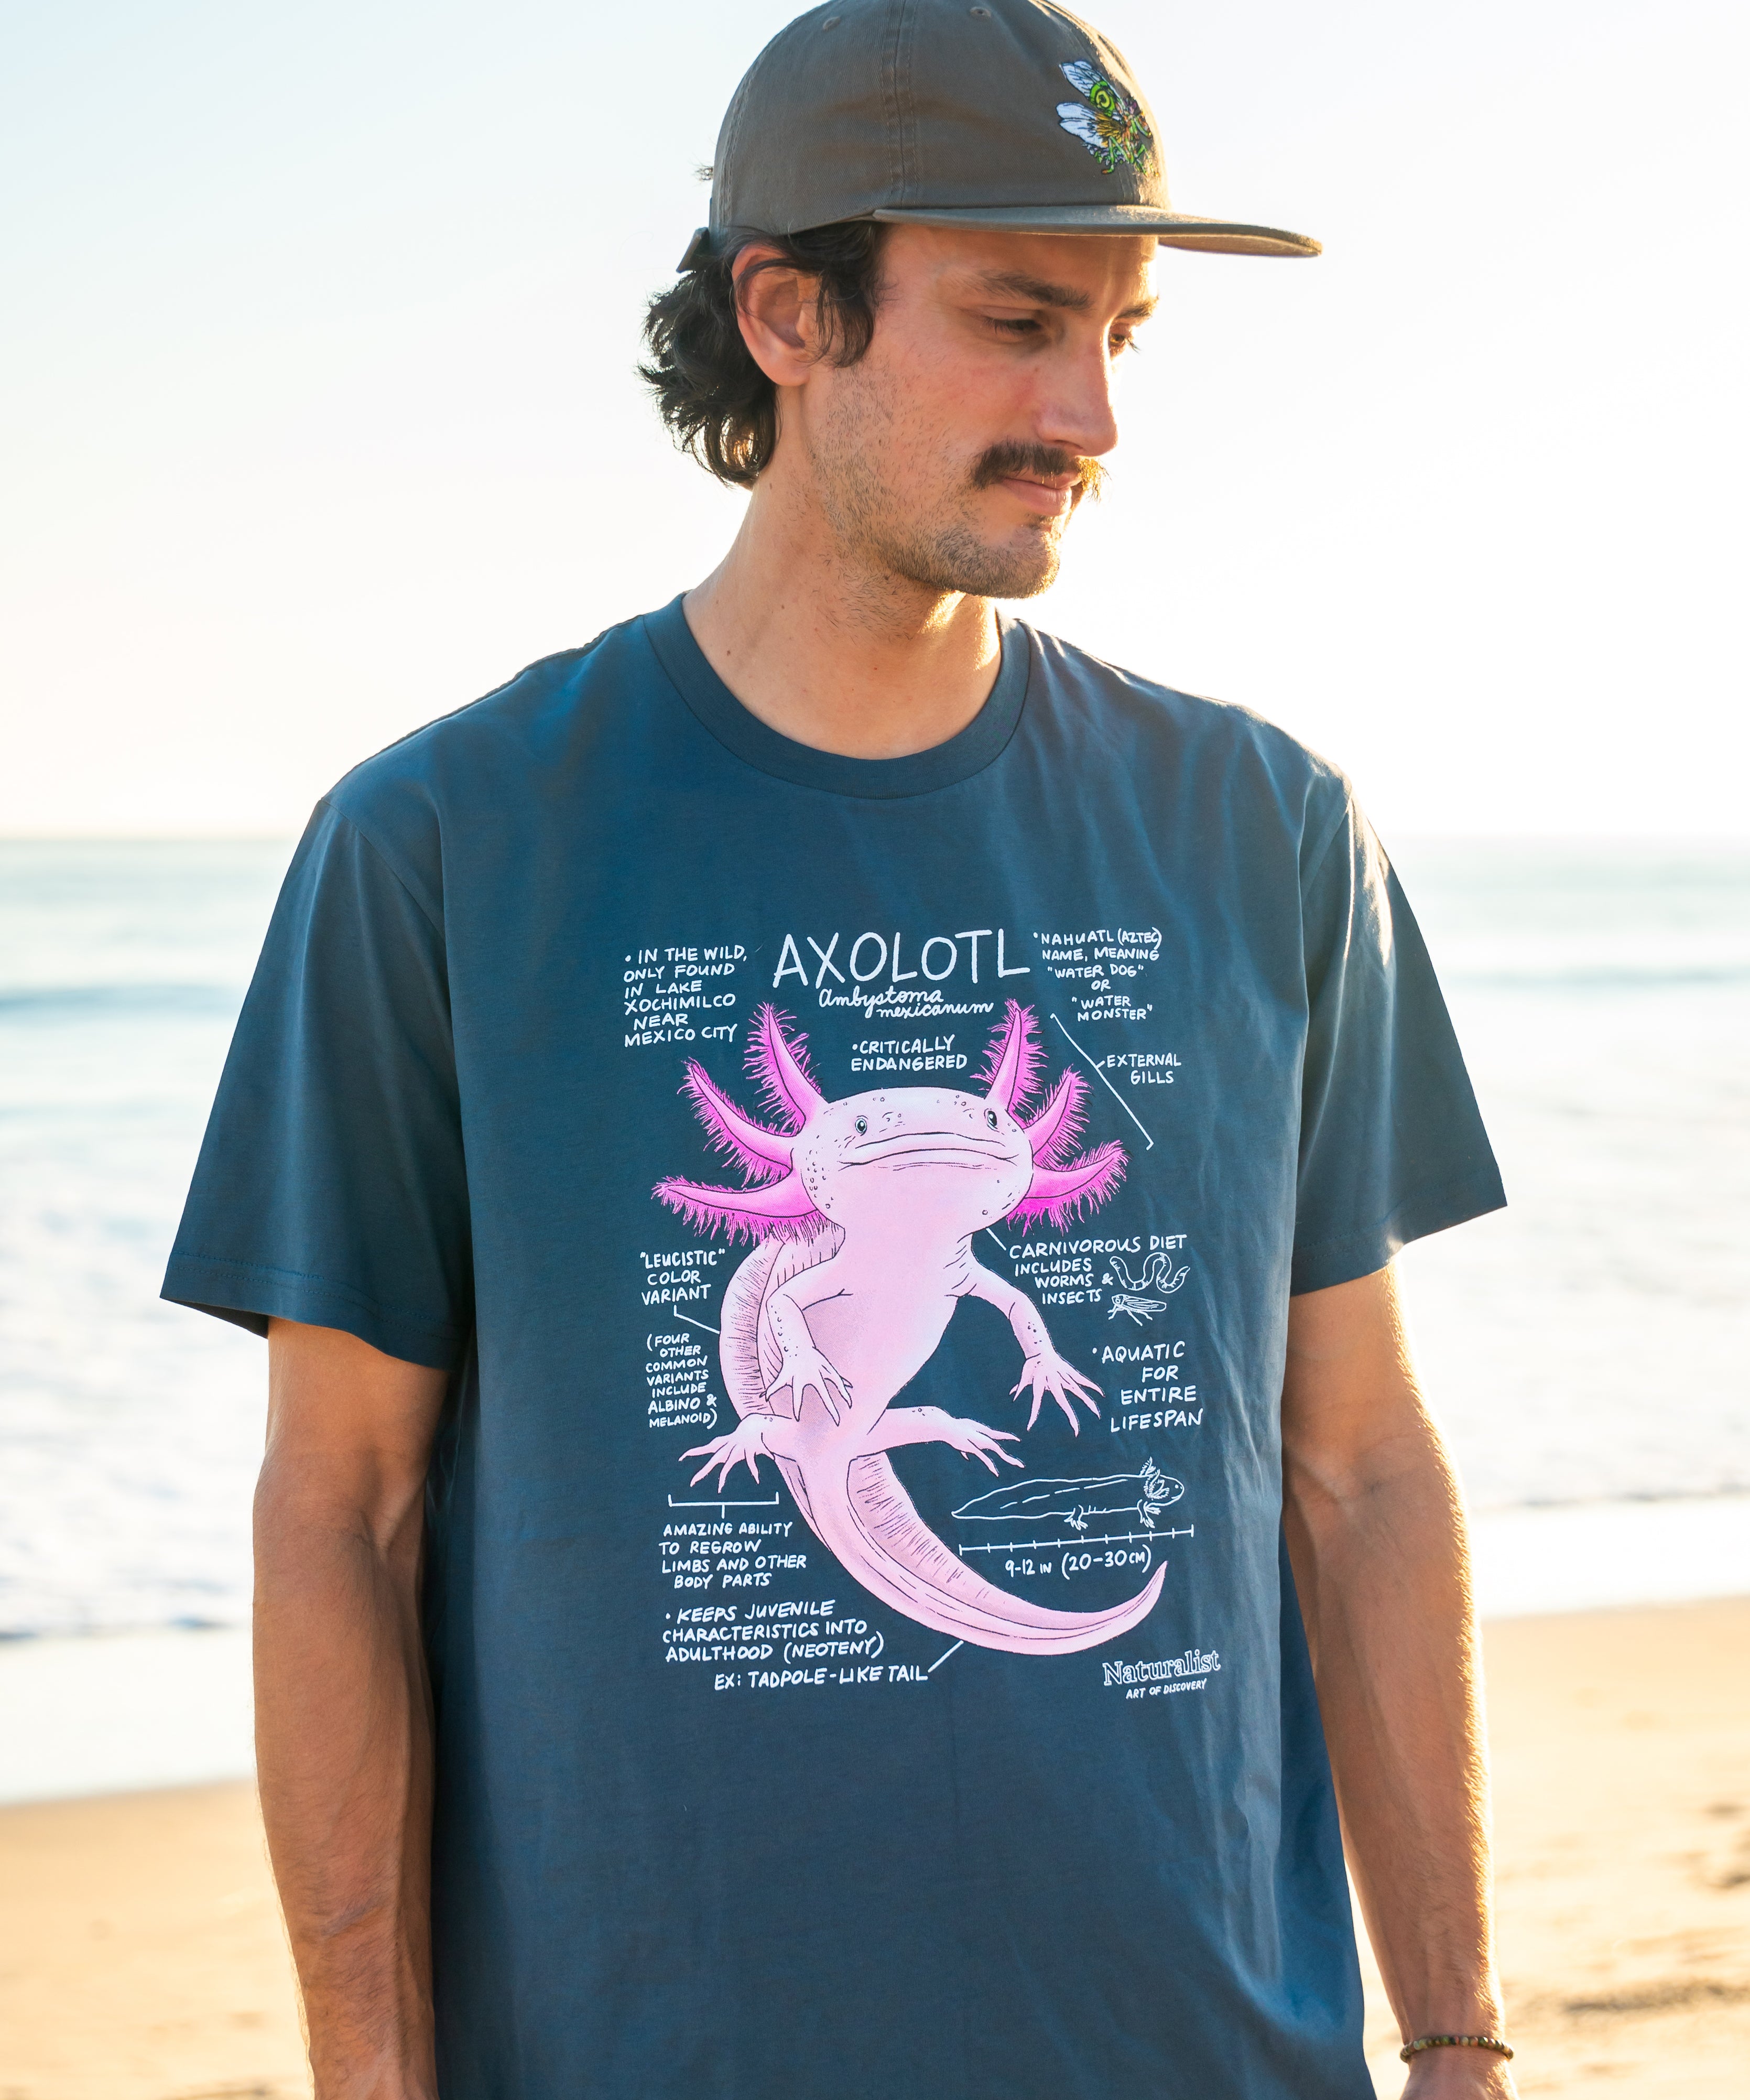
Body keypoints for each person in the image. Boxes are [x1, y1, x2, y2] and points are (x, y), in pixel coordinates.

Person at [164, 4, 1518, 2095]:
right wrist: (367, 2071)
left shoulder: (1264, 828)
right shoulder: (447, 842)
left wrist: (1455, 2036)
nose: (1088, 411)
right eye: (1016, 321)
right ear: (786, 315)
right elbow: (341, 1511)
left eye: (1120, 335)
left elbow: (1362, 1468)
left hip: (1204, 2049)